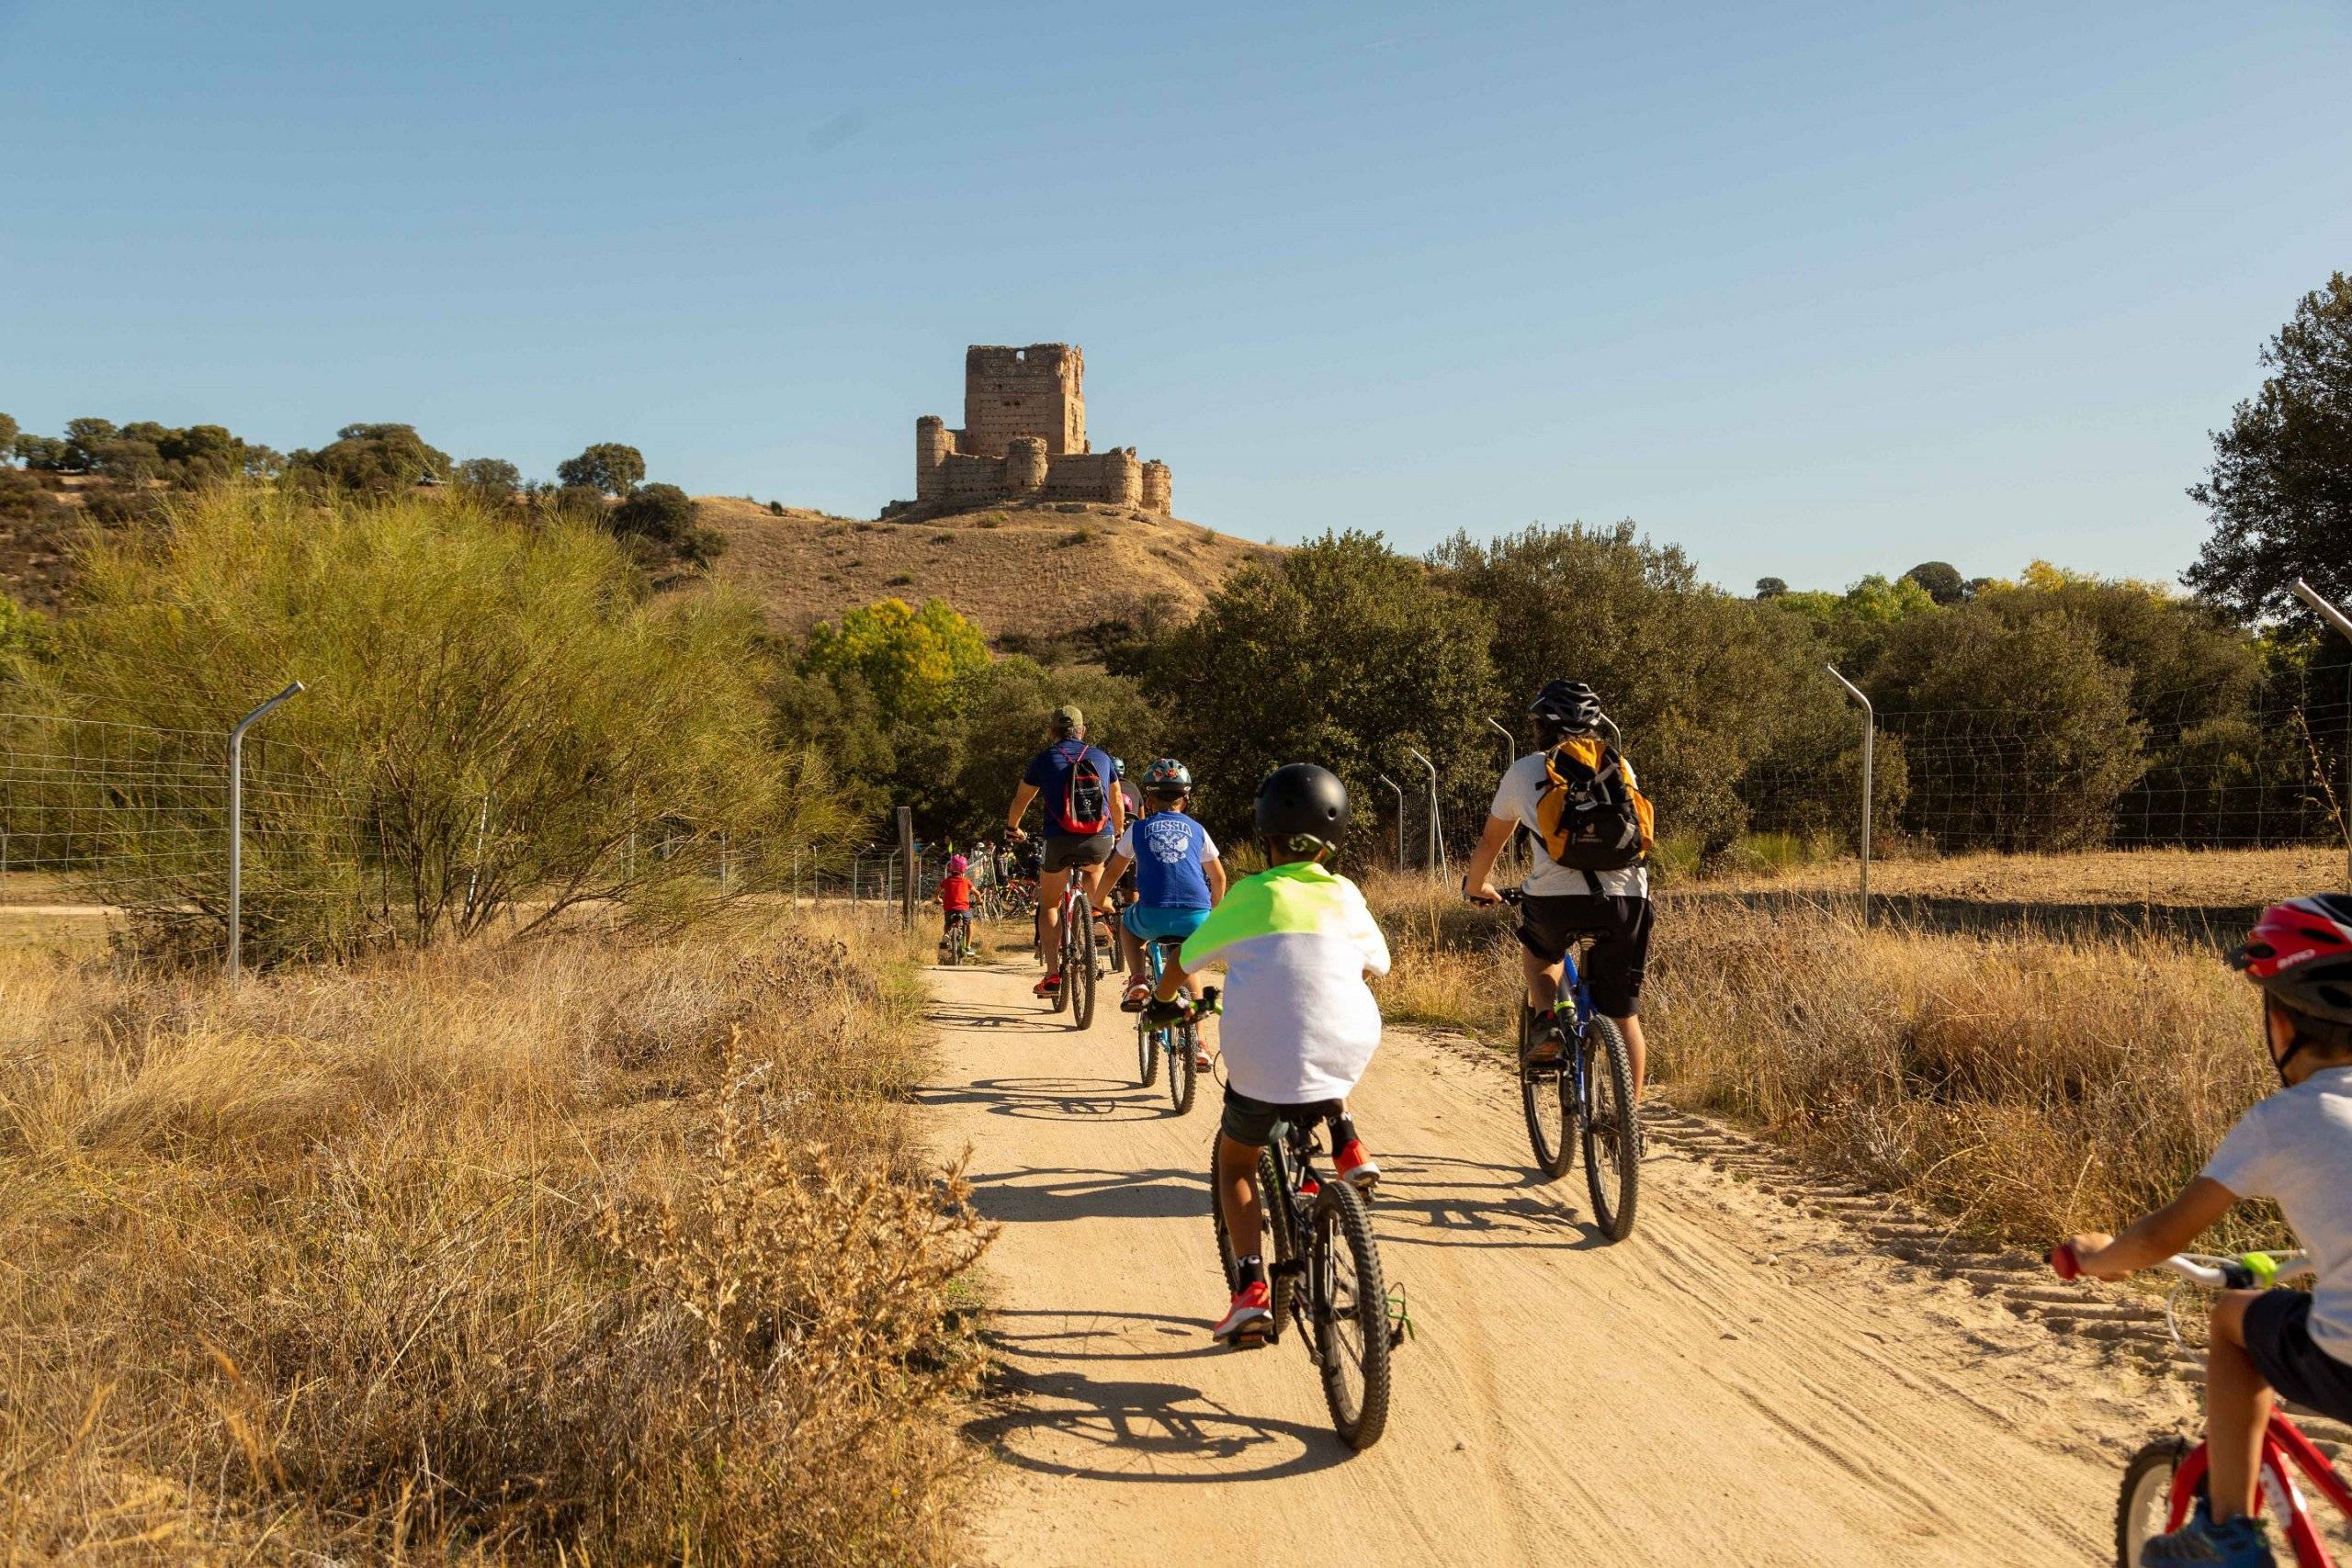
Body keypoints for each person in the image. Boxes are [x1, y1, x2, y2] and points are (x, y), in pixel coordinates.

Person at [2057, 896, 2352, 1568]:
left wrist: (2102, 1259)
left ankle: (2228, 1533)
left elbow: (2163, 1235)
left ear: (2280, 1023)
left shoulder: (2284, 1118)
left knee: (2230, 1319)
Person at [1145, 763, 1387, 1344]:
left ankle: (1250, 1290)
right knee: (1325, 1051)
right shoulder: (1346, 893)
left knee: (1236, 1162)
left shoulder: (1251, 893)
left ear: (1266, 834)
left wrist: (1160, 999)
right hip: (1348, 1042)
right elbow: (1380, 963)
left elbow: (1186, 961)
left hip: (1260, 1059)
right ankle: (1346, 1141)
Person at [1460, 678, 1654, 1099]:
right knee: (1624, 1017)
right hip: (1627, 898)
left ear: (1541, 728)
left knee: (1540, 953)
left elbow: (1491, 840)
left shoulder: (1525, 770)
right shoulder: (1617, 766)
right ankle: (1630, 1124)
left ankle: (1547, 1019)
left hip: (1554, 899)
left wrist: (1476, 886)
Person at [1095, 760, 1226, 1050]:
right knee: (1187, 966)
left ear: (1150, 799)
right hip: (1195, 918)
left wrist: (1099, 899)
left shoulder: (1138, 829)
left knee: (1129, 923)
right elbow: (1218, 877)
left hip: (1152, 914)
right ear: (1186, 798)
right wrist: (1215, 913)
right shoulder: (1197, 830)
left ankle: (1139, 979)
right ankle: (1200, 1044)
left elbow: (1114, 870)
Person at [1005, 705, 1127, 999]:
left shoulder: (1043, 759)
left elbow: (1022, 799)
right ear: (1082, 731)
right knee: (1095, 870)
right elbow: (1116, 803)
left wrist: (1013, 828)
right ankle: (1095, 915)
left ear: (1052, 732)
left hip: (1059, 840)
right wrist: (1119, 832)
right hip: (1099, 839)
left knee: (1049, 904)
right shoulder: (1101, 756)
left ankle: (1052, 974)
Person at [937, 854, 974, 958]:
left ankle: (946, 935)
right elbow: (977, 893)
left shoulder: (946, 881)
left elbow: (936, 892)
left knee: (947, 923)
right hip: (963, 909)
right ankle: (968, 947)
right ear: (964, 870)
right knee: (970, 923)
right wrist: (979, 901)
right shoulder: (966, 881)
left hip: (949, 908)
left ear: (951, 868)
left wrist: (937, 899)